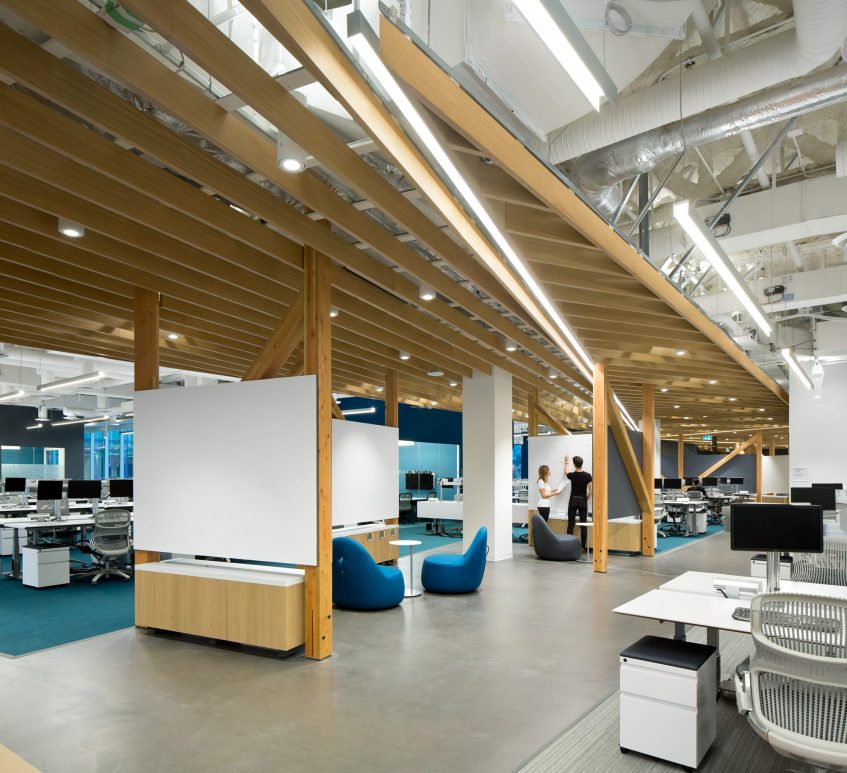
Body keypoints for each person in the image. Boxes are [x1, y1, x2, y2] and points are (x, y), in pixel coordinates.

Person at [565, 454, 592, 552]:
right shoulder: (587, 476)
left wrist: (566, 461)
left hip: (573, 500)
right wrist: (586, 498)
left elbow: (566, 472)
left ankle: (569, 546)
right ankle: (583, 548)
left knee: (570, 523)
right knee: (583, 524)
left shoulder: (572, 475)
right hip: (582, 500)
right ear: (581, 464)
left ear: (574, 465)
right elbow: (591, 490)